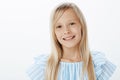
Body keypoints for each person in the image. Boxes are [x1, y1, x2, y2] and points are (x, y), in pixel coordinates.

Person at [27, 2, 116, 80]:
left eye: (72, 23)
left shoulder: (97, 64)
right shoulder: (44, 67)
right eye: (59, 26)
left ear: (82, 26)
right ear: (54, 32)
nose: (66, 31)